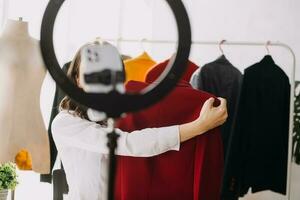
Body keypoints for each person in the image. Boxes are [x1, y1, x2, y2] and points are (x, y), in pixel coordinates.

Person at [51, 42, 228, 200]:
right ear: (77, 78)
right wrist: (198, 126)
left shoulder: (121, 113)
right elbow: (128, 143)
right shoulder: (65, 123)